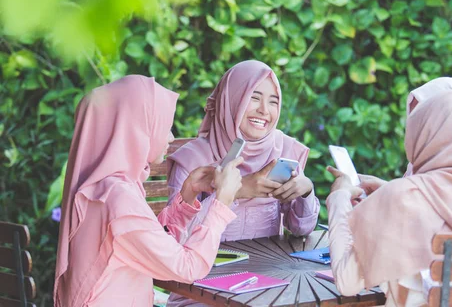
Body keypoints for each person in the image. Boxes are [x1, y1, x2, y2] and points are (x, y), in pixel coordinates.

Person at [326, 87, 452, 306]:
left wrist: (338, 197)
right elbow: (450, 206)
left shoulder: (405, 199)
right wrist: (390, 192)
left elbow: (347, 282)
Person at [54, 75, 242, 307]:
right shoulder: (118, 198)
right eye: (164, 126)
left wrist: (186, 196)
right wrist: (221, 203)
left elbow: (152, 244)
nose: (171, 137)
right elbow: (188, 267)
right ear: (136, 128)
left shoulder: (103, 188)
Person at [166, 60, 320, 307]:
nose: (264, 110)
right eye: (254, 97)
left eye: (273, 101)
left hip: (267, 287)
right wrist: (235, 191)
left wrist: (305, 193)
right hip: (200, 292)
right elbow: (175, 240)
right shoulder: (193, 160)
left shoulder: (284, 150)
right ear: (232, 100)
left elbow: (301, 230)